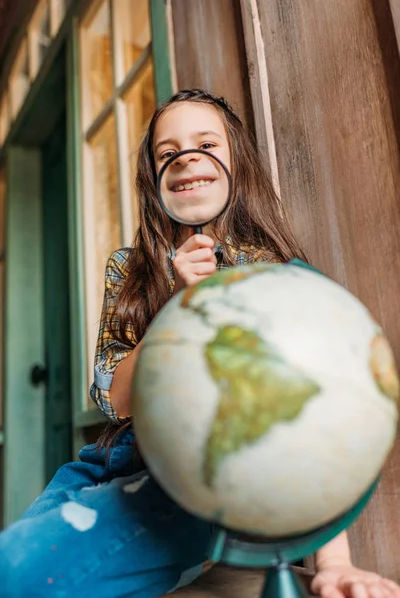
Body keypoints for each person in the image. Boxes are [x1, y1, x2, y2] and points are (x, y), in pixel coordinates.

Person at [0, 89, 399, 598]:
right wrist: (174, 304)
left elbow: (317, 426)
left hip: (188, 483)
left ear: (236, 162)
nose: (186, 157)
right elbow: (113, 395)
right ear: (155, 179)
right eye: (168, 153)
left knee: (20, 577)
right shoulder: (130, 268)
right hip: (102, 463)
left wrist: (334, 563)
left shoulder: (277, 276)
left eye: (206, 145)